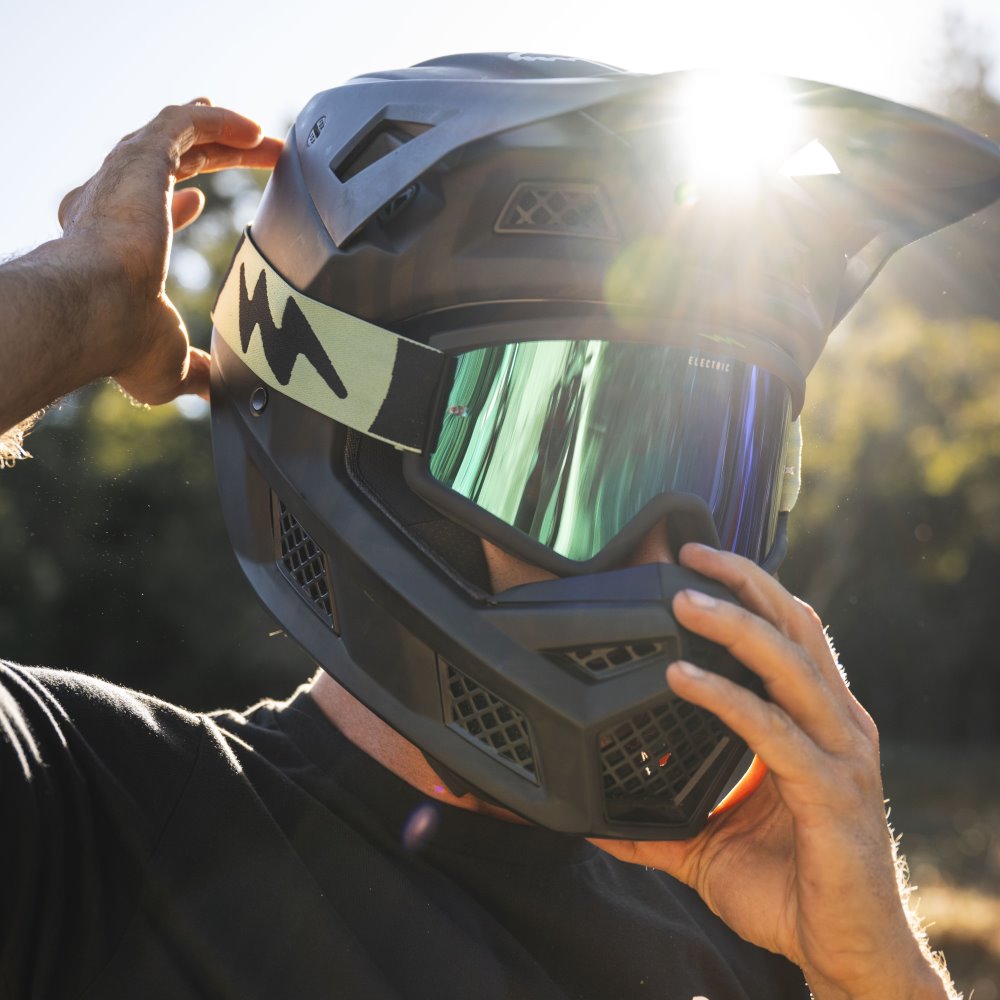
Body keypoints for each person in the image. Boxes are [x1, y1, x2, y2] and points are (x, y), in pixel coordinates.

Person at [3, 58, 999, 1000]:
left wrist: (876, 971)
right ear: (354, 445)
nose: (670, 555)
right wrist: (80, 297)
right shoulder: (104, 824)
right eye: (570, 463)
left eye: (720, 478)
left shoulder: (748, 909)